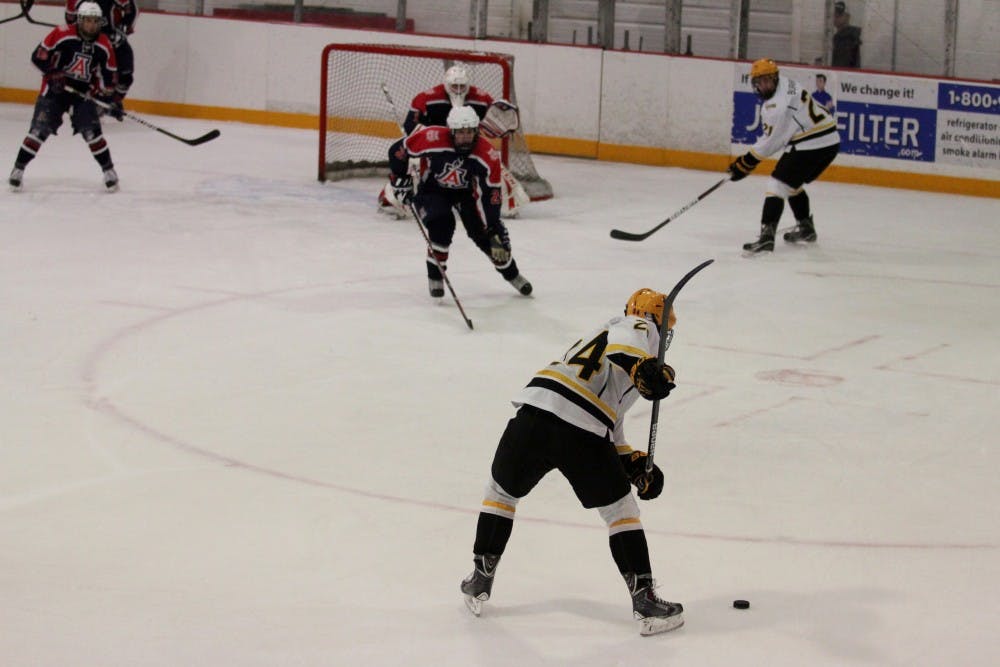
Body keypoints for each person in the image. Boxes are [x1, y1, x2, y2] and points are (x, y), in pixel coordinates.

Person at [459, 288, 684, 636]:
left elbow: (610, 426)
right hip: (580, 429)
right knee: (621, 511)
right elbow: (626, 343)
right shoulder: (637, 326)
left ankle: (479, 579)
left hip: (533, 414)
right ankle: (645, 600)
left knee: (501, 493)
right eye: (664, 327)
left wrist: (634, 465)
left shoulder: (607, 352)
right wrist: (640, 366)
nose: (663, 336)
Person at [387, 105, 532, 298]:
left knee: (488, 236)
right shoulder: (432, 138)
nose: (465, 137)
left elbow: (490, 194)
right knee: (442, 224)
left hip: (467, 194)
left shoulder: (487, 155)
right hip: (432, 190)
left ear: (476, 131)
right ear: (451, 131)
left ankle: (512, 274)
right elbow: (397, 150)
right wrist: (399, 178)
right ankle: (435, 275)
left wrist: (493, 226)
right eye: (461, 133)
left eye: (470, 132)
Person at [379, 65, 528, 218]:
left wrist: (499, 123)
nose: (458, 90)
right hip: (435, 147)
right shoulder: (426, 98)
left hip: (468, 146)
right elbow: (411, 126)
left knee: (491, 164)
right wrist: (426, 136)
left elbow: (493, 116)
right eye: (454, 86)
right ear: (446, 84)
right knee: (416, 167)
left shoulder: (481, 98)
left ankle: (507, 200)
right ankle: (394, 197)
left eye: (462, 86)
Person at [728, 58, 840, 253]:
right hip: (829, 141)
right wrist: (747, 163)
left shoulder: (776, 107)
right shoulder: (787, 84)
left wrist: (745, 163)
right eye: (760, 82)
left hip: (813, 142)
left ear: (775, 78)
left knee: (777, 184)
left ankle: (766, 237)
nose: (763, 85)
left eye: (767, 80)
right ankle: (806, 227)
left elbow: (772, 141)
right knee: (791, 183)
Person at [8, 2, 120, 192]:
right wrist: (52, 73)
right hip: (55, 91)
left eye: (95, 21)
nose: (92, 25)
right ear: (80, 20)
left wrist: (110, 99)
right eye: (88, 21)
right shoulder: (61, 33)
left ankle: (109, 171)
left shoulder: (104, 44)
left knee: (92, 133)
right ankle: (18, 169)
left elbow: (108, 77)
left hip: (82, 94)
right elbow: (37, 57)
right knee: (38, 131)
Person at [65, 0, 137, 112]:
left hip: (115, 43)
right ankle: (92, 103)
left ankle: (115, 101)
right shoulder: (75, 1)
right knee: (90, 74)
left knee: (126, 75)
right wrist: (78, 31)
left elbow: (131, 9)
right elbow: (70, 19)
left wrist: (123, 28)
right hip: (91, 43)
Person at [831, 1, 862, 68]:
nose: (835, 17)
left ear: (847, 17)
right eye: (834, 14)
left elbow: (841, 63)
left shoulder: (849, 37)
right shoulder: (839, 36)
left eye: (839, 15)